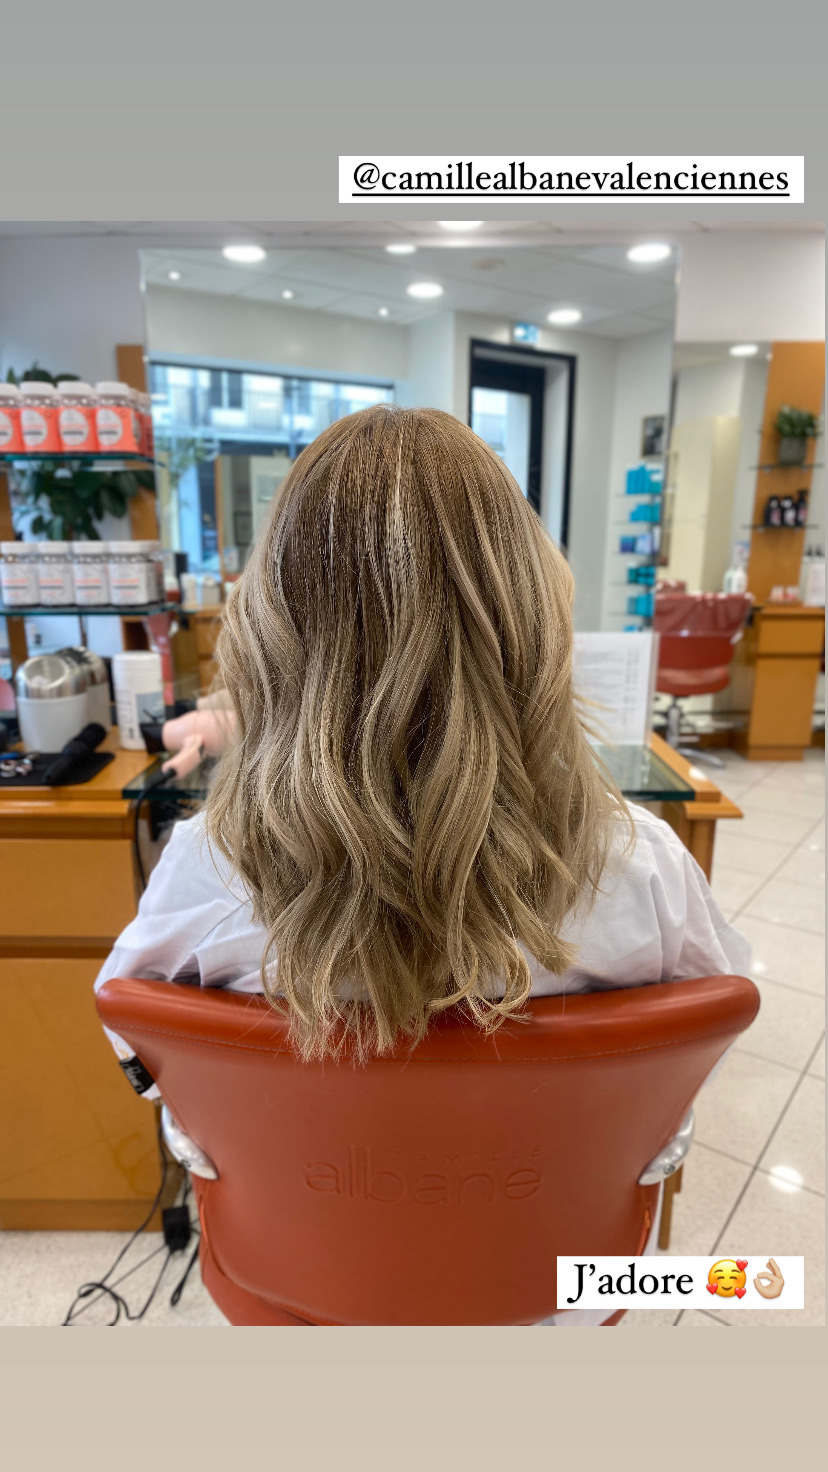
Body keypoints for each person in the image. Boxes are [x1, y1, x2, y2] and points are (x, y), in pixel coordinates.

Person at [94, 405, 748, 1323]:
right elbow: (694, 1054)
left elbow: (134, 1036)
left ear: (276, 621)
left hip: (296, 1280)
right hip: (561, 1290)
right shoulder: (640, 866)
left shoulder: (210, 868)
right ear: (532, 606)